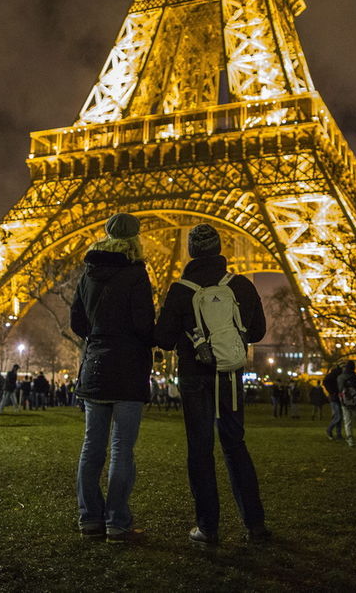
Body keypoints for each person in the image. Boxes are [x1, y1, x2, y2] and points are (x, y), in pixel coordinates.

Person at [155, 223, 270, 546]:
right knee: (235, 445)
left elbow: (163, 338)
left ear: (191, 251)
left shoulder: (180, 290)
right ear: (220, 249)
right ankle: (255, 524)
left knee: (200, 449)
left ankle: (207, 527)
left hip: (194, 376)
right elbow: (258, 331)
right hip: (229, 374)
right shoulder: (241, 286)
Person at [70, 212, 155, 543]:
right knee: (121, 449)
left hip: (95, 367)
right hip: (128, 369)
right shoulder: (136, 273)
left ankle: (89, 518)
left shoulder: (88, 274)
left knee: (91, 446)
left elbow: (77, 322)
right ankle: (117, 522)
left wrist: (97, 337)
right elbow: (144, 324)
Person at [337, 361, 356, 448]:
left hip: (345, 402)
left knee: (348, 422)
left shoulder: (340, 377)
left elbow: (340, 389)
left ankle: (350, 440)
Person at [323, 362, 343, 440]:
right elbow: (326, 381)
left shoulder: (334, 375)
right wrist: (332, 391)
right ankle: (329, 430)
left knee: (337, 416)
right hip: (334, 397)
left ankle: (338, 434)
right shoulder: (335, 375)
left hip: (335, 397)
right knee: (338, 416)